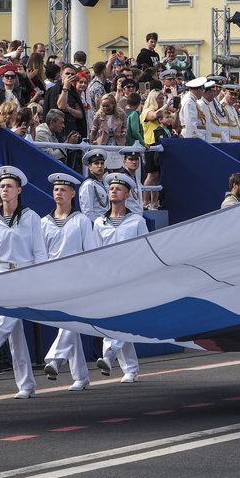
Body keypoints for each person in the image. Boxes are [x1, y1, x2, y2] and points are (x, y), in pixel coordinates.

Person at [0, 166, 48, 399]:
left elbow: (40, 252)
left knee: (10, 319)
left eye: (9, 186)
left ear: (19, 190)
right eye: (2, 186)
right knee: (15, 332)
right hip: (2, 275)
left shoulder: (31, 217)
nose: (5, 190)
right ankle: (26, 384)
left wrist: (41, 278)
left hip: (25, 274)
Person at [41, 172, 101, 390]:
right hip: (54, 281)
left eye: (63, 190)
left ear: (73, 193)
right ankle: (81, 376)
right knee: (70, 325)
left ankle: (55, 360)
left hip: (76, 280)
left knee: (69, 322)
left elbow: (91, 252)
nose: (58, 193)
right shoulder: (44, 222)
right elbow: (42, 256)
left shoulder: (82, 221)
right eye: (56, 189)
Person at [94, 172, 149, 383]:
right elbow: (95, 252)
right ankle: (131, 368)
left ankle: (108, 355)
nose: (113, 191)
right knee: (114, 320)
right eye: (111, 188)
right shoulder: (99, 222)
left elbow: (143, 251)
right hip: (108, 277)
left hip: (129, 276)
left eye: (118, 188)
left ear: (127, 194)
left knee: (120, 318)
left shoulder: (136, 221)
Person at [78, 149, 109, 221]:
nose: (100, 166)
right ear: (89, 167)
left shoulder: (105, 183)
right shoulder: (88, 184)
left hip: (107, 223)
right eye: (96, 163)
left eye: (102, 163)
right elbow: (87, 211)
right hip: (96, 225)